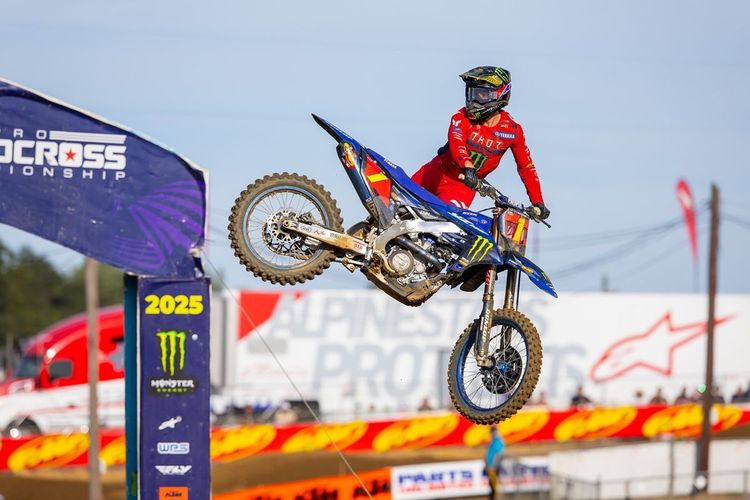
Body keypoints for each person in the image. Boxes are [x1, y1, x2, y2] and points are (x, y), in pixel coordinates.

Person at [412, 66, 550, 218]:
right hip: (436, 172)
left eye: (482, 95)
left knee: (446, 222)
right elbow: (456, 141)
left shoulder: (513, 130)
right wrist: (467, 165)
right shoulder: (461, 117)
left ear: (499, 95)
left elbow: (526, 167)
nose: (474, 101)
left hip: (463, 187)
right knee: (397, 199)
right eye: (472, 94)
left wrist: (538, 201)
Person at [485, 425, 506, 499]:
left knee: (494, 485)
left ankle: (496, 497)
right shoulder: (493, 440)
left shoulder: (497, 441)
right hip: (491, 466)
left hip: (494, 467)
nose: (491, 433)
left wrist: (493, 466)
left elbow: (498, 455)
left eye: (492, 431)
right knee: (492, 484)